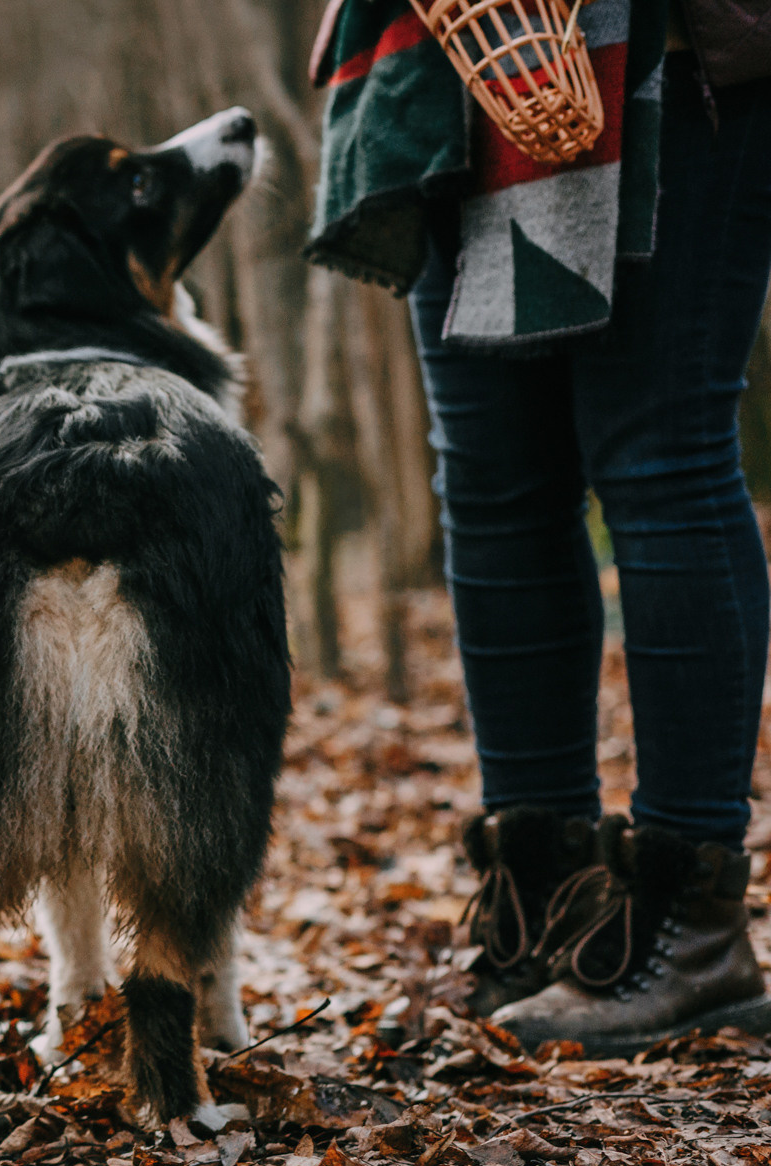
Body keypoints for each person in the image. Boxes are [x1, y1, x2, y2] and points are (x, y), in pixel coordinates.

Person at [308, 0, 771, 1054]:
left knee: (657, 458)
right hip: (459, 46)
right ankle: (543, 904)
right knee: (493, 484)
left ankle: (688, 928)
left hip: (670, 40)